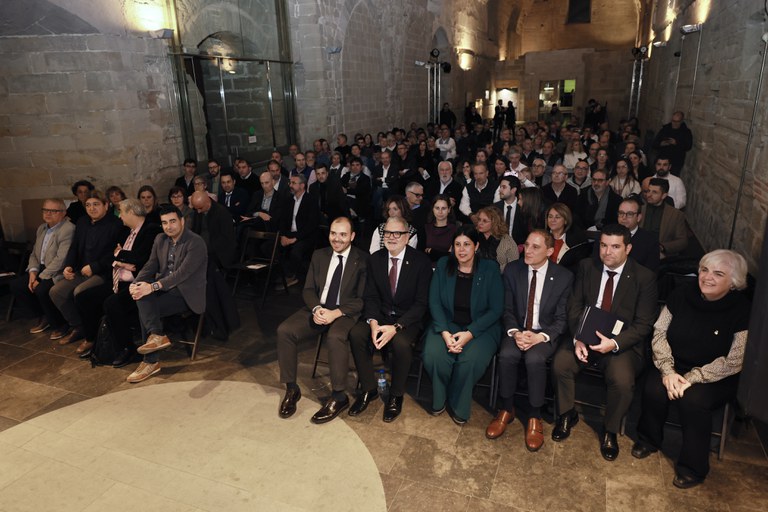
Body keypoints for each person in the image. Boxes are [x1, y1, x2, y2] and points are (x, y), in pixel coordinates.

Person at [631, 250, 750, 488]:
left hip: (716, 375)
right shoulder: (682, 294)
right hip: (673, 363)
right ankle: (648, 439)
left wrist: (693, 377)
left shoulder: (742, 309)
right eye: (704, 270)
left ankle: (693, 467)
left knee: (693, 401)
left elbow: (735, 359)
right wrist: (668, 371)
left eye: (718, 274)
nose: (707, 277)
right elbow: (660, 332)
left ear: (734, 282)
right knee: (653, 388)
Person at [551, 224, 657, 461]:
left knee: (622, 381)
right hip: (585, 336)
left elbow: (643, 324)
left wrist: (614, 344)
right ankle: (567, 414)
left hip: (621, 344)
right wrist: (578, 337)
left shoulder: (644, 277)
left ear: (628, 249)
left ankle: (610, 430)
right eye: (603, 245)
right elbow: (574, 305)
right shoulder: (587, 267)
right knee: (560, 365)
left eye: (615, 246)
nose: (608, 252)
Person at [487, 230, 574, 450]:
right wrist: (515, 332)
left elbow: (562, 319)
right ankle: (507, 408)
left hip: (544, 333)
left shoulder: (563, 277)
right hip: (517, 329)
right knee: (507, 355)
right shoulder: (512, 270)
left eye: (536, 247)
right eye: (526, 245)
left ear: (550, 251)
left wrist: (540, 337)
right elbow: (506, 308)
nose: (528, 250)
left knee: (534, 359)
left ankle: (535, 415)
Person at [276, 217, 368, 423]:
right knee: (285, 331)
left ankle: (339, 396)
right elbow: (308, 289)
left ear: (352, 236)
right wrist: (317, 308)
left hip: (344, 312)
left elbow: (362, 299)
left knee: (335, 337)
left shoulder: (362, 259)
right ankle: (292, 389)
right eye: (333, 233)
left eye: (343, 234)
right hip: (319, 308)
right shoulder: (319, 255)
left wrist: (336, 313)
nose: (337, 239)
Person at [348, 216, 432, 422]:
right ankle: (368, 389)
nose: (391, 237)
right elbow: (371, 296)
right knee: (357, 334)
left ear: (407, 237)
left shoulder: (421, 262)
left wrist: (396, 327)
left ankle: (396, 395)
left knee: (401, 343)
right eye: (387, 233)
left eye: (397, 233)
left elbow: (421, 304)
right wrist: (373, 322)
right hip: (380, 314)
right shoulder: (375, 259)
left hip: (407, 318)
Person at [422, 226, 504, 424]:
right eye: (457, 244)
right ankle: (440, 397)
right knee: (433, 355)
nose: (461, 249)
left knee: (470, 361)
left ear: (476, 246)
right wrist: (444, 332)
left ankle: (459, 403)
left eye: (467, 244)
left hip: (481, 326)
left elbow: (496, 309)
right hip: (446, 323)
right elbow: (434, 302)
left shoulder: (490, 268)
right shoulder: (444, 264)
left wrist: (470, 333)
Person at [126, 204, 207, 383]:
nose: (168, 226)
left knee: (146, 304)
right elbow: (150, 265)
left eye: (172, 221)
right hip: (165, 289)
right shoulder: (160, 239)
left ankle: (150, 361)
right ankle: (156, 338)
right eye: (164, 223)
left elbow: (182, 274)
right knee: (141, 296)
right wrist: (136, 283)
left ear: (182, 221)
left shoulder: (196, 242)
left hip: (186, 294)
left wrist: (152, 286)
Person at [74, 198, 162, 358]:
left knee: (112, 303)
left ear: (131, 212)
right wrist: (122, 260)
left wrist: (120, 254)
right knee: (83, 297)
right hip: (118, 280)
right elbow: (112, 254)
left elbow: (141, 258)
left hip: (139, 283)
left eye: (121, 212)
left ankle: (126, 349)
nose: (119, 216)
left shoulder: (152, 230)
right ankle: (95, 341)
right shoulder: (125, 231)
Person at [49, 191, 125, 344]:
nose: (92, 208)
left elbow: (116, 254)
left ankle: (92, 332)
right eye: (88, 205)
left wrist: (94, 267)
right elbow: (74, 247)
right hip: (81, 271)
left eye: (96, 204)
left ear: (106, 205)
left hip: (103, 273)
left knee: (80, 292)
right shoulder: (82, 222)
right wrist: (69, 266)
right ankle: (79, 326)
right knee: (56, 291)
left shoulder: (116, 224)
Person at [9, 199, 75, 335]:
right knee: (17, 285)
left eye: (53, 211)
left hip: (58, 271)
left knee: (41, 289)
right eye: (45, 210)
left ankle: (60, 323)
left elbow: (61, 259)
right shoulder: (42, 228)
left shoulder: (68, 229)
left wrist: (40, 278)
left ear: (63, 213)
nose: (48, 213)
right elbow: (34, 254)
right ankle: (43, 315)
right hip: (41, 268)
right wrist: (33, 272)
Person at [279, 174, 320, 287]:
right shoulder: (288, 200)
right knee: (269, 247)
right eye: (290, 182)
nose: (290, 185)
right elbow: (282, 220)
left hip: (305, 236)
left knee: (296, 251)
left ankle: (292, 276)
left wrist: (295, 239)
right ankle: (282, 274)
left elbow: (311, 225)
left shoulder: (311, 200)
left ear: (302, 185)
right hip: (289, 234)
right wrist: (283, 236)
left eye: (293, 183)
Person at [641, 178, 688, 259]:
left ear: (664, 195)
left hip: (661, 256)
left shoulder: (675, 215)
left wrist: (662, 247)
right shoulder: (639, 209)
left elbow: (682, 241)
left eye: (654, 192)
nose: (649, 195)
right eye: (648, 191)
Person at [475, 206, 519, 272]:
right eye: (479, 219)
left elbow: (514, 266)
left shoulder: (507, 241)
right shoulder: (473, 236)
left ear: (494, 223)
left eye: (485, 221)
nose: (480, 223)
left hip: (500, 276)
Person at [546, 202, 589, 269]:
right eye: (550, 216)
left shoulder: (576, 242)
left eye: (557, 217)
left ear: (566, 220)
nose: (553, 220)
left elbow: (578, 267)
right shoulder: (540, 237)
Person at [652, 111, 693, 176]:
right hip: (662, 159)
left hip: (676, 162)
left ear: (681, 121)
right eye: (673, 121)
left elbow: (688, 146)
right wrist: (661, 144)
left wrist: (676, 143)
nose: (674, 123)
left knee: (672, 178)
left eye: (677, 121)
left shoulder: (686, 132)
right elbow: (654, 143)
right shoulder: (665, 129)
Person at [424, 195, 457, 262]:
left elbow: (453, 256)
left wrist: (431, 251)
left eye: (443, 208)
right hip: (427, 265)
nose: (440, 212)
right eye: (437, 208)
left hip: (447, 265)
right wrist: (444, 254)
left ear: (449, 209)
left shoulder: (455, 230)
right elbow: (421, 253)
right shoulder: (425, 228)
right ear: (433, 209)